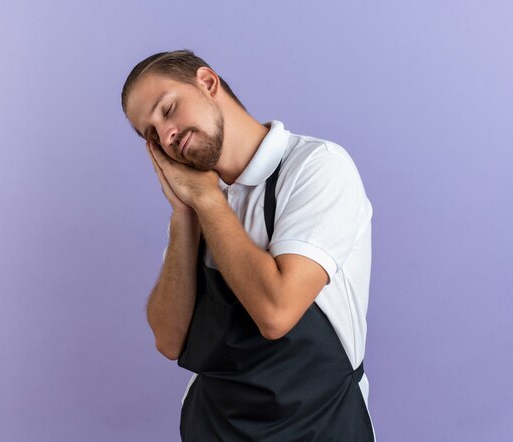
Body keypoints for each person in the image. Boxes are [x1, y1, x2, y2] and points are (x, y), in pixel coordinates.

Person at [121, 49, 376, 441]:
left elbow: (277, 311)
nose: (166, 134)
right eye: (152, 134)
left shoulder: (316, 166)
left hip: (321, 425)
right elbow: (169, 340)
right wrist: (184, 216)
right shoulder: (197, 202)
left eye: (168, 109)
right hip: (214, 427)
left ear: (207, 83)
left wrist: (208, 203)